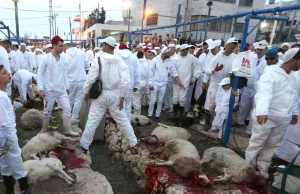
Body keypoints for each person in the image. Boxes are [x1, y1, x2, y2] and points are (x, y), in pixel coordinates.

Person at [245, 48, 300, 179]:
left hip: (283, 118)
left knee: (273, 144)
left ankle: (263, 166)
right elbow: (264, 93)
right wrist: (262, 111)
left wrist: (294, 113)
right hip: (266, 117)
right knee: (257, 142)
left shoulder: (293, 76)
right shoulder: (271, 74)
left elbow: (292, 96)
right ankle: (247, 166)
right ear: (293, 60)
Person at [80, 36, 138, 154]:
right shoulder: (120, 61)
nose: (102, 47)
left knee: (92, 120)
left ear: (107, 46)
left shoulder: (98, 59)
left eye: (103, 45)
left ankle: (84, 145)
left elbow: (91, 78)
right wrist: (123, 97)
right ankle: (133, 142)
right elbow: (126, 81)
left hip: (101, 94)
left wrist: (86, 92)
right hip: (115, 94)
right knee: (122, 120)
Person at [0, 65, 34, 194]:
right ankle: (25, 188)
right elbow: (4, 123)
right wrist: (11, 139)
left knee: (4, 161)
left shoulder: (3, 94)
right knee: (15, 159)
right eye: (4, 73)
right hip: (7, 137)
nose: (9, 74)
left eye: (8, 72)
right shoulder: (2, 97)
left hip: (2, 137)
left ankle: (9, 189)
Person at [38, 36, 79, 136]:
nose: (62, 48)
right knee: (47, 110)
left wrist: (67, 87)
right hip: (49, 90)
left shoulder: (63, 59)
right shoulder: (45, 58)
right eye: (60, 46)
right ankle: (44, 128)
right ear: (54, 45)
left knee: (68, 108)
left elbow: (64, 74)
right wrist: (40, 89)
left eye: (63, 46)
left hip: (61, 90)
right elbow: (40, 74)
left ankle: (67, 129)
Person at [203, 38, 238, 131]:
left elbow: (236, 69)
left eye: (234, 48)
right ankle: (207, 122)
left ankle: (218, 125)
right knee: (210, 104)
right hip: (215, 85)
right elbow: (207, 71)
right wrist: (214, 70)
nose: (232, 50)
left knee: (222, 106)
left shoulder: (234, 57)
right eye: (231, 48)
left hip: (227, 86)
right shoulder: (217, 58)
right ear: (226, 46)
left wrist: (231, 73)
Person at [237, 40, 268, 137]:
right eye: (257, 49)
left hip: (259, 89)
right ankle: (240, 121)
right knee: (244, 105)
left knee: (254, 109)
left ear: (265, 49)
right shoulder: (252, 57)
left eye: (261, 49)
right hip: (248, 85)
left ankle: (250, 129)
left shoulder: (268, 60)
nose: (258, 51)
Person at [148, 47, 184, 120]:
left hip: (163, 84)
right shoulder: (155, 60)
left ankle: (157, 115)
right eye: (169, 53)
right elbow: (151, 73)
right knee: (152, 100)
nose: (170, 54)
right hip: (155, 83)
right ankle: (150, 114)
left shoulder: (170, 61)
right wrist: (150, 84)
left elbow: (174, 72)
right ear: (164, 53)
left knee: (160, 101)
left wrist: (179, 82)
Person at [64, 43, 90, 124]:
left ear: (66, 47)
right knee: (78, 100)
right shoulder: (82, 53)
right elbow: (87, 67)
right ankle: (74, 118)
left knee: (69, 100)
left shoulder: (64, 56)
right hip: (81, 80)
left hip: (70, 81)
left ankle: (67, 117)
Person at [172, 44, 201, 117]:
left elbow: (197, 67)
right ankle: (175, 114)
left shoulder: (191, 57)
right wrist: (175, 78)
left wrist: (194, 77)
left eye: (187, 50)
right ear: (180, 50)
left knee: (182, 98)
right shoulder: (175, 59)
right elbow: (172, 70)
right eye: (184, 50)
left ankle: (181, 114)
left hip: (186, 80)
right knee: (175, 97)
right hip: (176, 81)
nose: (186, 51)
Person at [116, 43, 140, 120]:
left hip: (119, 85)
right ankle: (128, 123)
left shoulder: (117, 56)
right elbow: (136, 72)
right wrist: (136, 85)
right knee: (127, 105)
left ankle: (120, 124)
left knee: (119, 105)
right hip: (130, 84)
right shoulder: (133, 57)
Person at [163, 43, 177, 113]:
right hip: (166, 79)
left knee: (172, 93)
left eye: (172, 49)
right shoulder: (166, 57)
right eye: (170, 49)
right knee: (166, 93)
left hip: (172, 79)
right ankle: (166, 105)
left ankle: (171, 107)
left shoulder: (176, 57)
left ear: (175, 49)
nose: (171, 50)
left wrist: (170, 73)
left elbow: (175, 69)